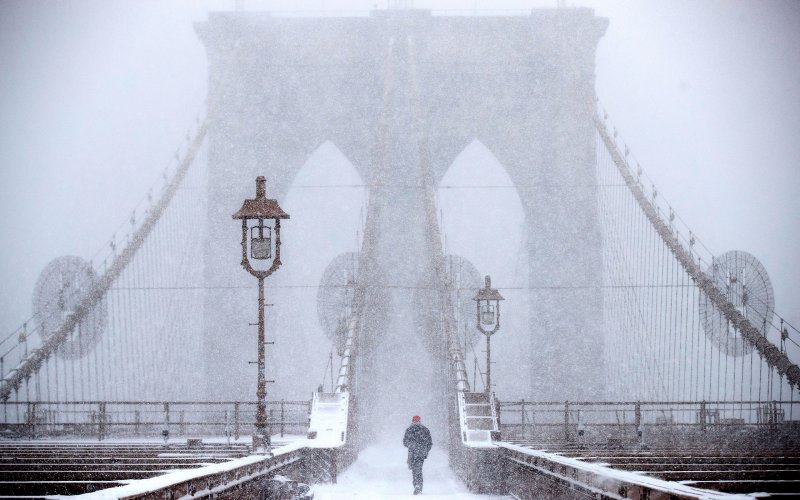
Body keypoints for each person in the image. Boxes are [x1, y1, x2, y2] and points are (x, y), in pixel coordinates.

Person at [402, 415, 432, 495]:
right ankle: (418, 486)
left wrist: (411, 445)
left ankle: (417, 486)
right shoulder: (425, 430)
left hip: (412, 453)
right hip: (420, 454)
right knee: (417, 470)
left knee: (416, 470)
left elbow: (405, 442)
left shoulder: (409, 430)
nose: (415, 422)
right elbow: (429, 443)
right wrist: (425, 451)